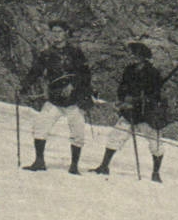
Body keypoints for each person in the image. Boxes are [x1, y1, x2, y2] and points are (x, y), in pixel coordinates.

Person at [18, 20, 93, 174]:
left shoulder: (76, 53)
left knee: (78, 133)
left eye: (60, 31)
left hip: (75, 100)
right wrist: (23, 87)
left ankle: (74, 166)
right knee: (40, 127)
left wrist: (73, 85)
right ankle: (39, 161)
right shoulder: (46, 54)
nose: (56, 35)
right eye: (54, 32)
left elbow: (85, 74)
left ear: (66, 33)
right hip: (55, 98)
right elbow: (35, 72)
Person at [92, 41, 168, 181]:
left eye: (136, 55)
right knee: (115, 137)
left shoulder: (153, 73)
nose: (133, 57)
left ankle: (155, 173)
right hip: (129, 112)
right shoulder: (129, 70)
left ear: (143, 56)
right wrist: (123, 99)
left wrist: (137, 101)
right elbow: (122, 87)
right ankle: (104, 166)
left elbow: (155, 95)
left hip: (147, 114)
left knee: (155, 144)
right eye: (132, 54)